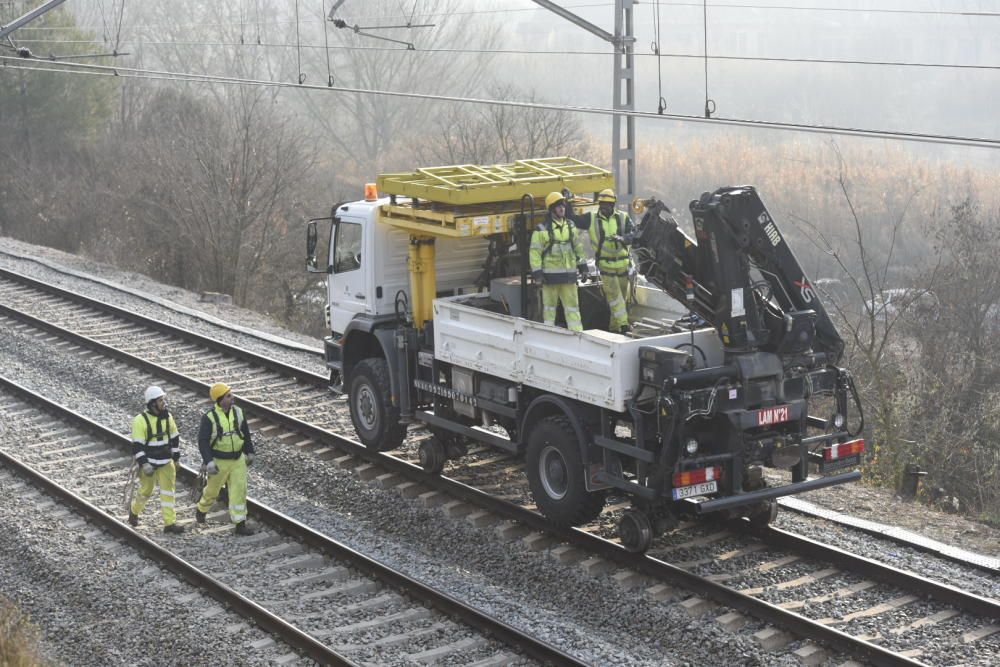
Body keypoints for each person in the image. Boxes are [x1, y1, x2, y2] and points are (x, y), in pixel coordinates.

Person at [195, 382, 255, 535]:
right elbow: (203, 441)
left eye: (231, 394)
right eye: (229, 396)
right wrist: (208, 462)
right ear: (220, 400)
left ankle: (240, 523)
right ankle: (201, 509)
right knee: (212, 490)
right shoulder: (209, 417)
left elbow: (245, 434)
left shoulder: (239, 413)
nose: (232, 398)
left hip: (237, 460)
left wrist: (250, 451)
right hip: (219, 461)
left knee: (239, 491)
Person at [128, 386, 184, 534]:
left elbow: (174, 438)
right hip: (150, 463)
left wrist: (176, 459)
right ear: (152, 403)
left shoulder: (168, 416)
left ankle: (169, 523)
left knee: (168, 493)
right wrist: (144, 463)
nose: (163, 403)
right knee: (146, 491)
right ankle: (134, 511)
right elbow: (137, 446)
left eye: (163, 400)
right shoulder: (140, 420)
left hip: (166, 461)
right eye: (160, 400)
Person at [529, 191, 588, 331]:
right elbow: (534, 253)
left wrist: (583, 267)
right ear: (551, 209)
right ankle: (549, 336)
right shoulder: (541, 230)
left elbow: (578, 248)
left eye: (563, 205)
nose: (562, 208)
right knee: (549, 310)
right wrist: (537, 274)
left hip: (569, 278)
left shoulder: (571, 226)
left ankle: (577, 336)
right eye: (558, 206)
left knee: (573, 309)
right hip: (550, 279)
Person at [587, 188, 635, 333]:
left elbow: (635, 234)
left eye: (607, 204)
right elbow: (573, 218)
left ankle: (614, 329)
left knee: (622, 300)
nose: (604, 207)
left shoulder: (623, 217)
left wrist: (623, 238)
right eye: (602, 204)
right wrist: (567, 201)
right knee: (615, 298)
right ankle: (624, 325)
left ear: (613, 205)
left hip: (623, 266)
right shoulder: (592, 219)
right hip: (606, 266)